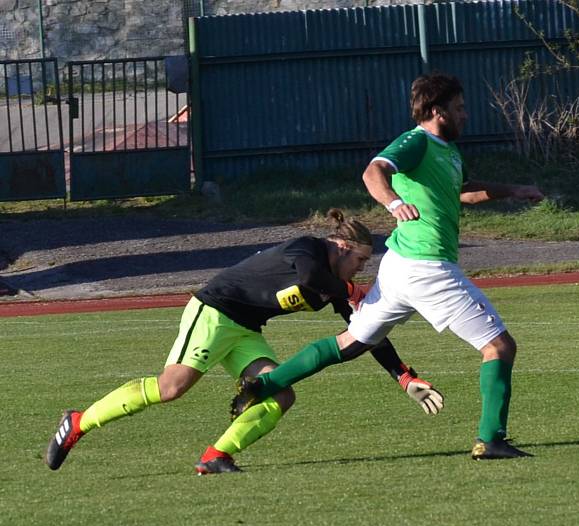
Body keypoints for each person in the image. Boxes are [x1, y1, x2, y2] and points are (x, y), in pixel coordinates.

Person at [214, 72, 544, 462]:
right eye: (459, 108)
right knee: (499, 346)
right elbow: (374, 171)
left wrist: (514, 191)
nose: (466, 115)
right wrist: (392, 203)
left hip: (399, 269)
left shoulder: (448, 152)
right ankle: (491, 439)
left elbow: (464, 191)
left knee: (352, 343)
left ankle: (265, 384)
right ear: (437, 110)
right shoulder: (417, 140)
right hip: (427, 268)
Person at [44, 209, 443, 474]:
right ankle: (78, 422)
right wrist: (347, 287)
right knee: (171, 388)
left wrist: (404, 377)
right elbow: (307, 278)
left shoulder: (337, 283)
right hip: (215, 312)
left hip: (246, 330)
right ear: (341, 247)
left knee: (280, 394)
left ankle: (217, 456)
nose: (360, 269)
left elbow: (366, 331)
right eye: (359, 260)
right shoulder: (307, 248)